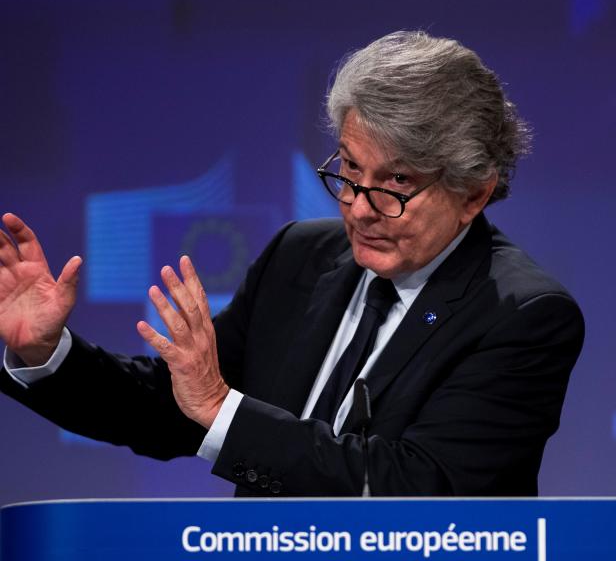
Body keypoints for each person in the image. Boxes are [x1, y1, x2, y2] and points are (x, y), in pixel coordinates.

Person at [0, 31, 584, 497]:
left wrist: (220, 407)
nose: (359, 206)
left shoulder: (522, 315)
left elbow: (413, 486)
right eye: (350, 170)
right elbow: (173, 407)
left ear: (474, 194)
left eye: (396, 182)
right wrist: (44, 352)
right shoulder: (300, 256)